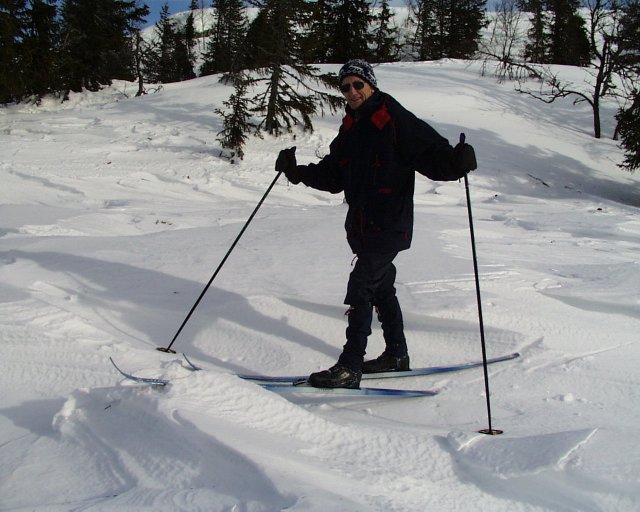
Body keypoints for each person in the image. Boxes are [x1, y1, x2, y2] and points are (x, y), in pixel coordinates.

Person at [275, 59, 477, 388]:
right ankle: (397, 355)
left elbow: (430, 153)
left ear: (371, 84)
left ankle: (350, 366)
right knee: (381, 288)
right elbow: (333, 174)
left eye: (358, 85)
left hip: (389, 223)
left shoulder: (393, 116)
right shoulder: (352, 127)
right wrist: (296, 172)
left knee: (362, 286)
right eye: (345, 87)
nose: (352, 92)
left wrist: (456, 163)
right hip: (363, 226)